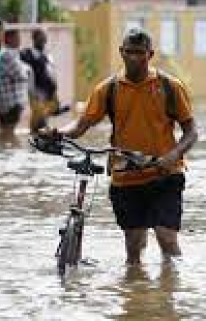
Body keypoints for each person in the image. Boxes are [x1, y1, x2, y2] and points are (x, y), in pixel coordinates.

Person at [47, 28, 198, 265]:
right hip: (126, 176)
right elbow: (81, 125)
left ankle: (170, 293)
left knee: (167, 239)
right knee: (133, 249)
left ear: (150, 54)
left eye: (140, 53)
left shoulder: (169, 86)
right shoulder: (108, 89)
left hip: (164, 173)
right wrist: (57, 133)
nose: (134, 58)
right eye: (129, 52)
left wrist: (174, 154)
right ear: (121, 53)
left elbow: (191, 132)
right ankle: (136, 296)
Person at [21, 28, 68, 133]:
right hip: (36, 91)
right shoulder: (27, 54)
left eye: (44, 39)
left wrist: (54, 90)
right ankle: (34, 136)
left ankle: (39, 136)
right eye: (41, 39)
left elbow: (51, 72)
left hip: (49, 91)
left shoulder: (47, 54)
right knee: (39, 117)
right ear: (34, 39)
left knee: (44, 118)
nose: (43, 41)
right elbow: (27, 71)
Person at [0, 29, 31, 140]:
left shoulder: (13, 54)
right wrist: (26, 70)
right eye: (17, 37)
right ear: (9, 39)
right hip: (9, 102)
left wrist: (25, 69)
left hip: (13, 101)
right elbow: (21, 74)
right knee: (8, 133)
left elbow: (23, 71)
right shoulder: (8, 54)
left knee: (8, 132)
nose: (19, 40)